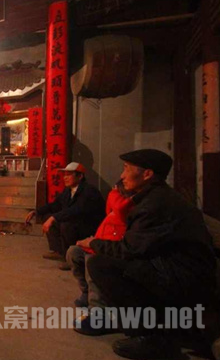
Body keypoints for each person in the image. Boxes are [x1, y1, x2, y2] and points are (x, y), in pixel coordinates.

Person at [79, 149, 216, 359]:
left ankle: (151, 338)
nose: (122, 175)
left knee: (101, 264)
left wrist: (95, 243)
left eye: (126, 169)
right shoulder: (154, 197)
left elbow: (129, 250)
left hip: (185, 278)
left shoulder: (154, 204)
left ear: (147, 174)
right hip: (175, 269)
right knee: (95, 257)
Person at [65, 180, 134, 330]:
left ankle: (99, 312)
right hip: (99, 244)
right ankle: (86, 292)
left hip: (114, 251)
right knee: (73, 253)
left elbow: (121, 210)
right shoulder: (114, 210)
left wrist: (115, 193)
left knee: (93, 261)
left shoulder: (130, 206)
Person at [25, 162, 105, 270]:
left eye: (69, 175)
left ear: (80, 176)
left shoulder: (89, 191)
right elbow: (55, 205)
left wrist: (54, 218)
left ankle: (71, 259)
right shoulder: (68, 191)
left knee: (66, 224)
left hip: (89, 227)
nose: (65, 178)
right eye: (64, 175)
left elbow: (75, 210)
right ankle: (59, 251)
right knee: (48, 217)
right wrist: (36, 212)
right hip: (76, 222)